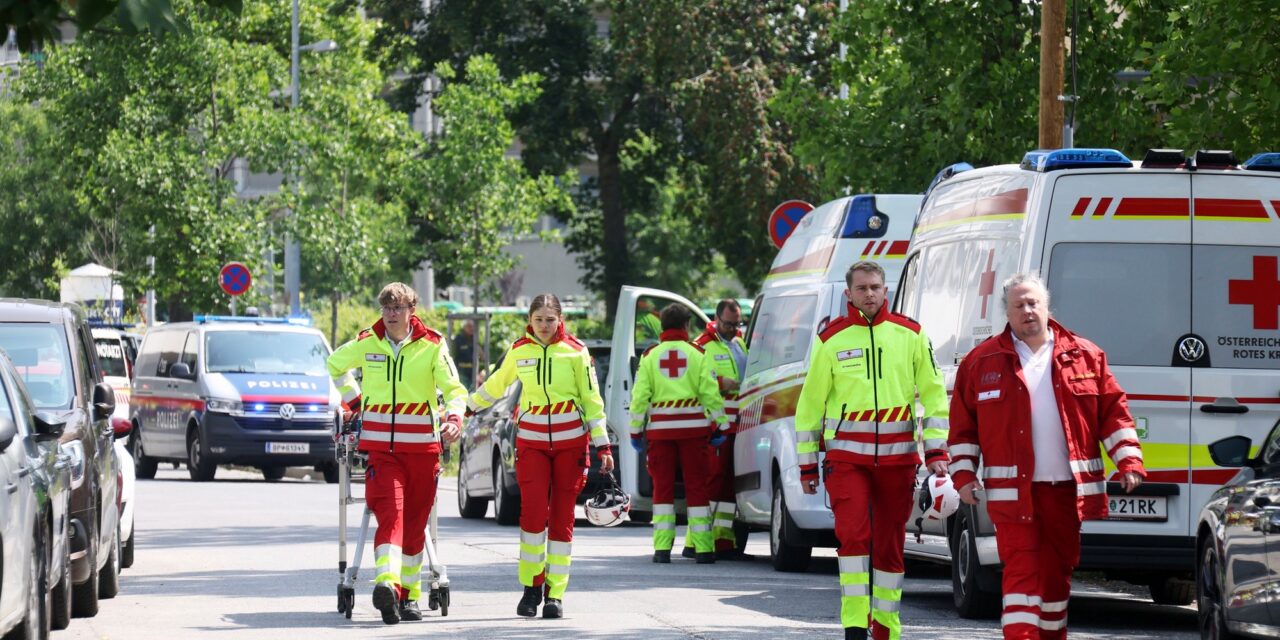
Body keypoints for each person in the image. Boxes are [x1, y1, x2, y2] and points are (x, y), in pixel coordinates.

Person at [948, 273, 1146, 640]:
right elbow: (962, 430)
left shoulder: (1085, 355)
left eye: (1033, 303)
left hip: (1066, 493)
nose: (1027, 311)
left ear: (1046, 306)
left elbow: (1114, 415)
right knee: (1021, 573)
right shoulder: (981, 362)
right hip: (1012, 494)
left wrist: (1129, 462)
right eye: (1018, 305)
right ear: (1005, 313)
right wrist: (963, 476)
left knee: (1057, 577)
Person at [795, 261, 950, 640]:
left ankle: (886, 627)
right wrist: (806, 467)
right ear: (848, 293)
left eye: (875, 287)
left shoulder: (910, 335)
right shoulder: (830, 339)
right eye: (862, 288)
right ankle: (853, 624)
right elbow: (810, 405)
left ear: (886, 291)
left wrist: (936, 452)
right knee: (854, 536)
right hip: (847, 460)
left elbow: (933, 395)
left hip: (898, 460)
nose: (869, 293)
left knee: (890, 544)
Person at [326, 283, 466, 625]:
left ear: (411, 311)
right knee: (392, 516)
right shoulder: (367, 341)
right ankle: (386, 585)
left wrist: (454, 417)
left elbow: (454, 389)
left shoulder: (432, 345)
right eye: (387, 308)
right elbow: (334, 365)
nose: (391, 314)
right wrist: (356, 402)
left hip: (422, 451)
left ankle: (409, 597)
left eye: (398, 308)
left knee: (416, 525)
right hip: (382, 453)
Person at [469, 294, 613, 619]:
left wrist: (602, 445)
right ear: (529, 320)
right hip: (531, 444)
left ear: (560, 320)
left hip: (571, 445)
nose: (545, 326)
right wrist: (467, 407)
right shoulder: (519, 350)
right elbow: (496, 384)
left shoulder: (576, 352)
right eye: (539, 320)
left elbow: (592, 400)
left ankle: (555, 594)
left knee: (562, 518)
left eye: (550, 319)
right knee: (533, 516)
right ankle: (530, 589)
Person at [629, 303, 728, 565]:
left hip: (660, 434)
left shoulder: (650, 356)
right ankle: (704, 549)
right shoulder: (698, 354)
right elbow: (710, 392)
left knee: (662, 490)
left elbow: (639, 397)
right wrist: (721, 424)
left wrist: (635, 431)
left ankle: (662, 550)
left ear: (662, 326)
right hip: (694, 432)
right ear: (686, 326)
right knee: (697, 487)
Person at [692, 298, 749, 560]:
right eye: (728, 324)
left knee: (728, 484)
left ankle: (723, 540)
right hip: (716, 424)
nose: (733, 329)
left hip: (739, 423)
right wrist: (724, 382)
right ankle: (697, 540)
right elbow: (699, 381)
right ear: (715, 319)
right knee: (712, 481)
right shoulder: (702, 346)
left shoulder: (739, 343)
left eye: (737, 324)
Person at [452, 320, 476, 389]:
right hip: (461, 372)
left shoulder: (474, 339)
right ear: (464, 327)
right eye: (469, 326)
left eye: (473, 326)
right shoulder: (458, 339)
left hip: (473, 373)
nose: (471, 328)